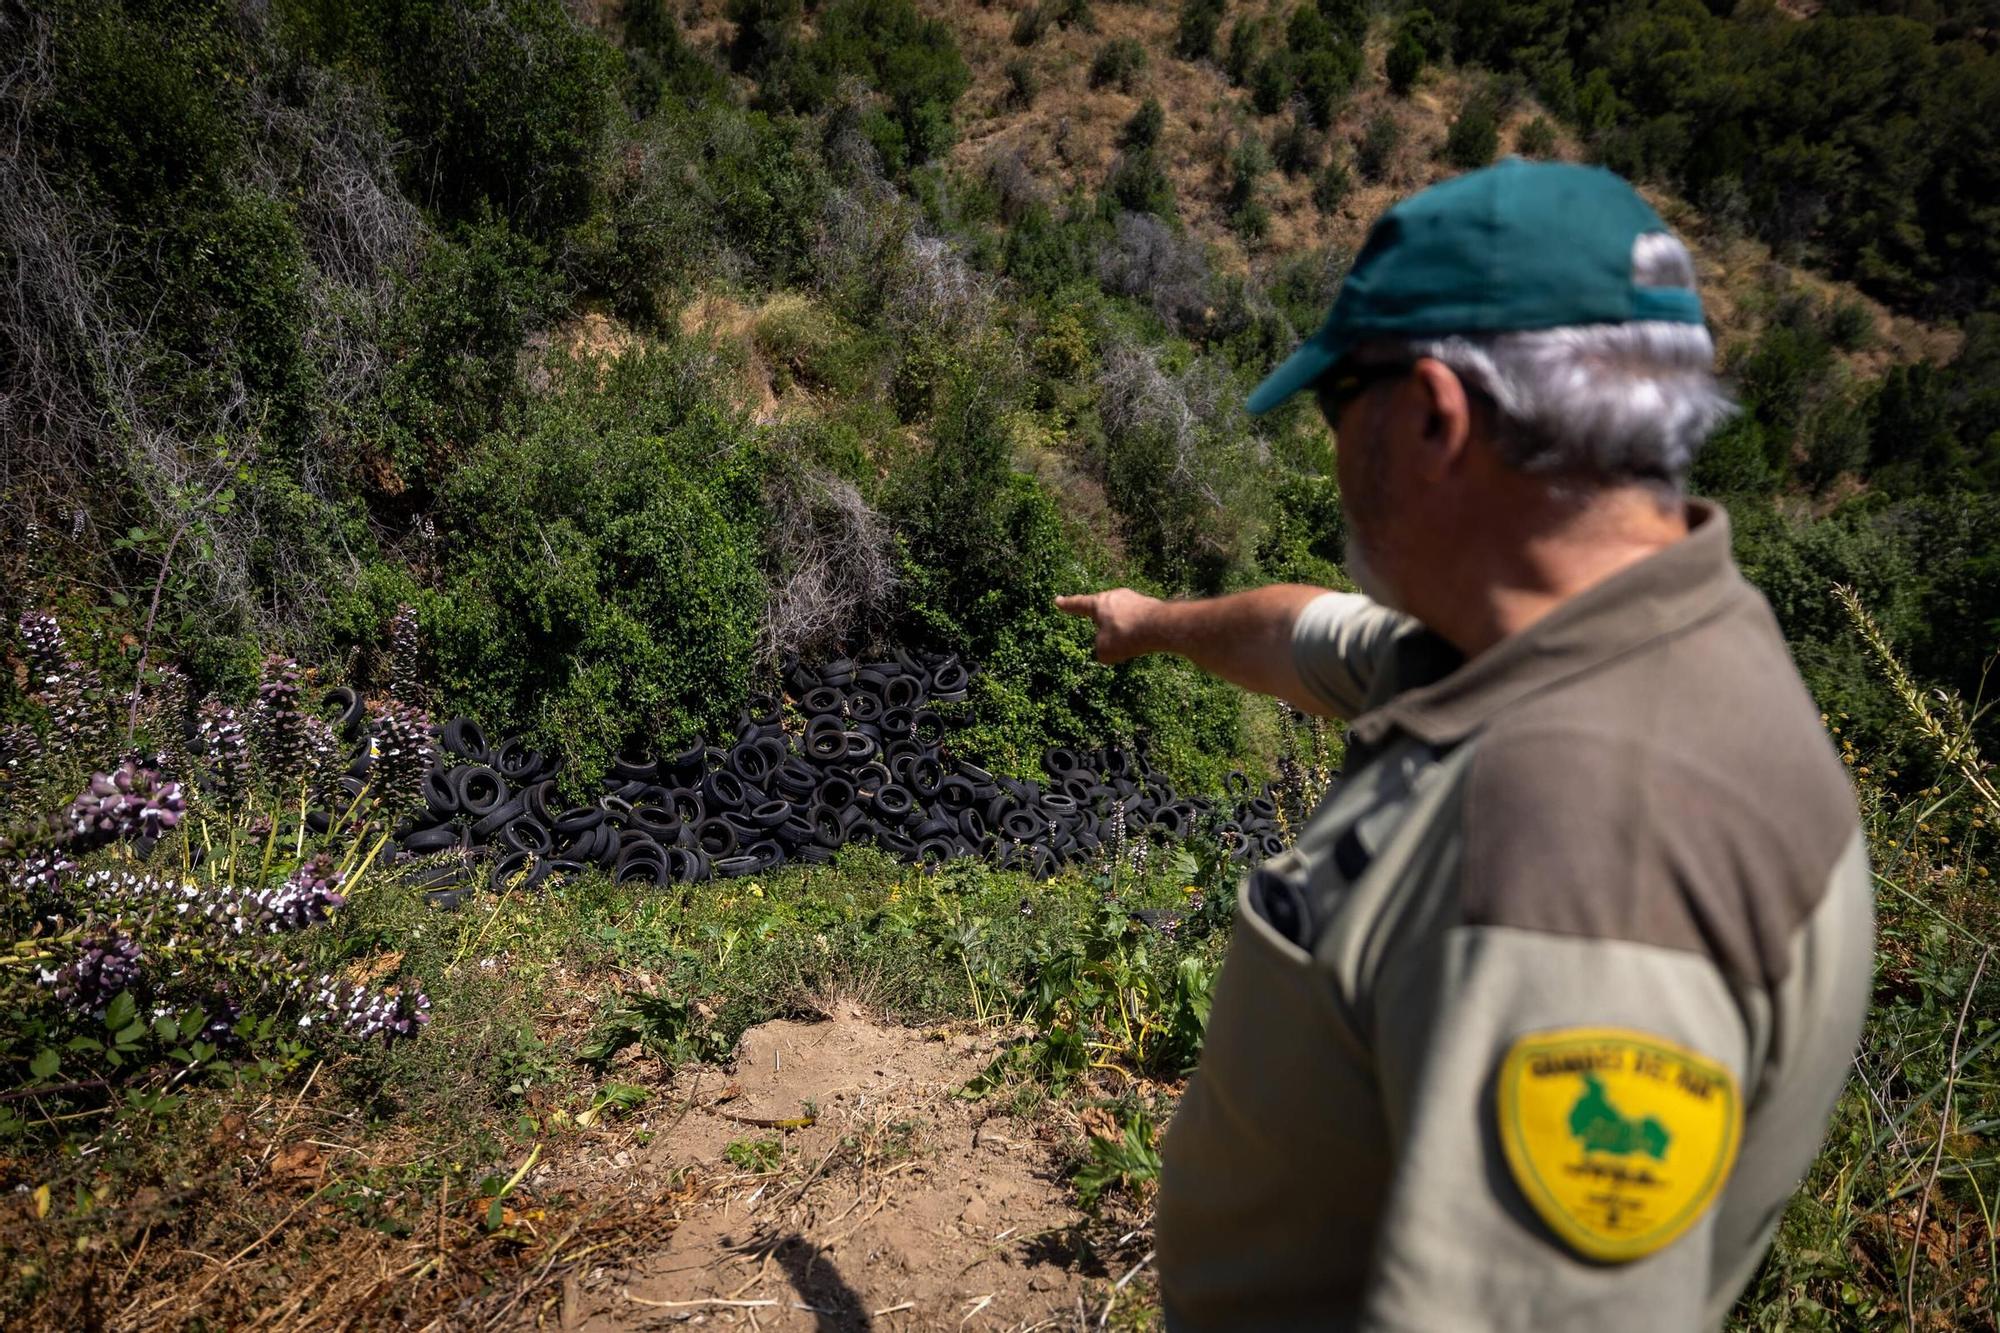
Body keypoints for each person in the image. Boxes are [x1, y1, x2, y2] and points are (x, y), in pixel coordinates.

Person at [1055, 160, 1872, 1331]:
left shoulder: (1589, 835)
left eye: (1339, 404)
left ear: (1433, 418)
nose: (1331, 450)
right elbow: (1306, 636)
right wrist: (1150, 625)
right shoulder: (1564, 650)